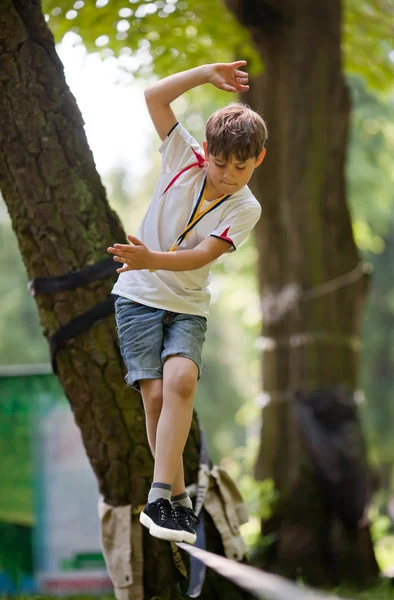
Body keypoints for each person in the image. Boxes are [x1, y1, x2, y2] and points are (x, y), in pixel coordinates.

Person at [107, 61, 267, 545]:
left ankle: (161, 495)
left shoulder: (246, 207)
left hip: (188, 304)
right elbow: (154, 96)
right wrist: (205, 74)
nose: (229, 176)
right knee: (154, 397)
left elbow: (200, 255)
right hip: (137, 298)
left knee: (181, 381)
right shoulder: (182, 155)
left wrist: (149, 257)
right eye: (221, 164)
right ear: (208, 152)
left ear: (259, 159)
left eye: (242, 167)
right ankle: (173, 497)